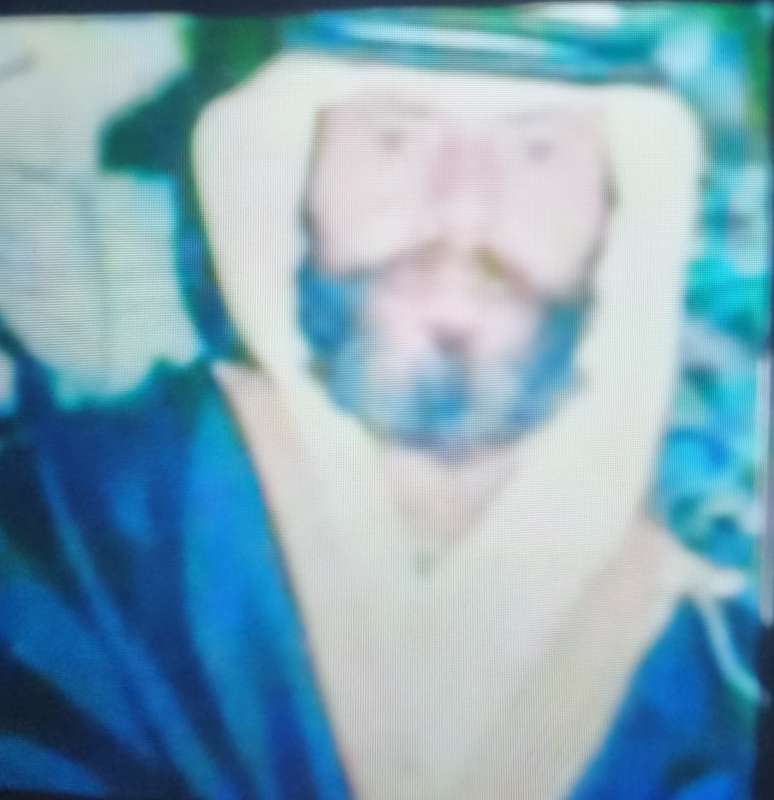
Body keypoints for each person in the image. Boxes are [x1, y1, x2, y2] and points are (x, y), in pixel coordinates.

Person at [0, 10, 765, 800]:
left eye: (536, 148)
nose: (463, 210)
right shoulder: (72, 532)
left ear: (621, 207)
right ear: (293, 173)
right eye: (394, 137)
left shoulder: (731, 644)